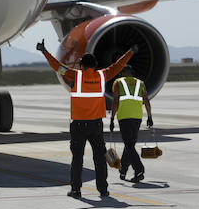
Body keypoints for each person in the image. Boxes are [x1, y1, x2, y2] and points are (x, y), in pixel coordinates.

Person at [37, 40, 136, 198]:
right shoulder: (102, 75)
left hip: (78, 125)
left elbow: (58, 67)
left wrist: (45, 52)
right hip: (96, 125)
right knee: (100, 158)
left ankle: (76, 190)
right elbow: (118, 66)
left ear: (81, 65)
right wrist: (130, 52)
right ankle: (103, 189)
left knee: (77, 159)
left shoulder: (75, 75)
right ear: (95, 65)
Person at [110, 65, 153, 183]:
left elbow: (115, 101)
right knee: (130, 145)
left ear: (122, 72)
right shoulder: (140, 83)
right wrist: (149, 116)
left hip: (124, 117)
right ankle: (123, 170)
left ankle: (139, 170)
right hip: (137, 117)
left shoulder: (118, 82)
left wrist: (112, 118)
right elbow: (146, 100)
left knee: (129, 145)